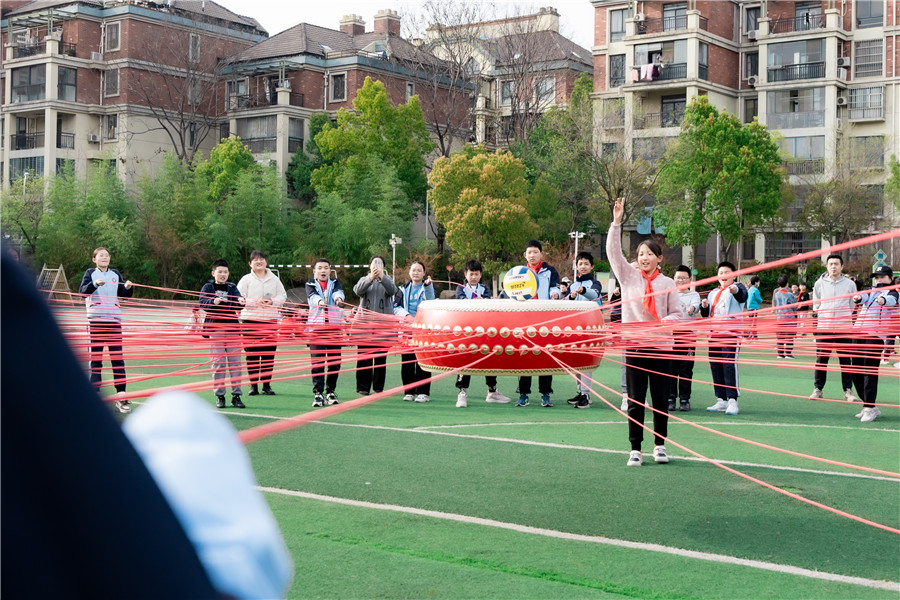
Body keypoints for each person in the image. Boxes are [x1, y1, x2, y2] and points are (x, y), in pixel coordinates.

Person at [607, 198, 681, 467]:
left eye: (650, 254)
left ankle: (659, 445)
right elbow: (614, 253)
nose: (644, 257)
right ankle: (635, 449)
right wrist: (617, 222)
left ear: (659, 258)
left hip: (661, 349)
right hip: (635, 348)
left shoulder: (668, 283)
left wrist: (662, 323)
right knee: (636, 401)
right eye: (640, 254)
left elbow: (678, 315)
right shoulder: (628, 279)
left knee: (661, 401)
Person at [79, 247, 134, 413]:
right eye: (101, 255)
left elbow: (124, 294)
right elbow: (82, 292)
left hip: (114, 321)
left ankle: (121, 397)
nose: (105, 257)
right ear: (94, 259)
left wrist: (128, 287)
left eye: (107, 255)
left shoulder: (115, 274)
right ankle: (94, 396)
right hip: (95, 321)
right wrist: (95, 284)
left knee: (117, 359)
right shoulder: (90, 273)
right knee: (96, 360)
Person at [455, 260, 511, 407]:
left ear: (480, 275)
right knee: (466, 360)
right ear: (465, 274)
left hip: (484, 331)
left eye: (476, 274)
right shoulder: (461, 288)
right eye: (471, 274)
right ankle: (462, 392)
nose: (473, 277)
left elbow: (486, 303)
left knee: (489, 359)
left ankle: (492, 391)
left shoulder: (484, 288)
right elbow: (462, 303)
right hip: (467, 331)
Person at [848, 266, 898, 422]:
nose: (879, 279)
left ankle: (869, 407)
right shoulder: (871, 290)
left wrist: (883, 300)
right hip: (858, 332)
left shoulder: (893, 292)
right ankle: (868, 405)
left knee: (869, 371)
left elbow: (891, 301)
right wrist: (857, 298)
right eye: (877, 277)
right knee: (855, 369)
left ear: (890, 278)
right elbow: (864, 296)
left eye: (882, 277)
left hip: (875, 335)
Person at [515, 240, 561, 408]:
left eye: (535, 252)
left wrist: (555, 294)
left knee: (545, 355)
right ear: (525, 255)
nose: (532, 255)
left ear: (541, 254)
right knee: (524, 355)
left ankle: (546, 394)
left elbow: (554, 288)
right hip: (524, 319)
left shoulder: (550, 271)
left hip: (545, 319)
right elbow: (511, 291)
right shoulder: (519, 272)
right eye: (529, 252)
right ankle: (523, 394)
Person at [701, 261, 749, 416]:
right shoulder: (713, 292)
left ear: (733, 275)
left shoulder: (738, 287)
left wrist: (735, 290)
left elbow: (742, 296)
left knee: (729, 365)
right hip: (714, 334)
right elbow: (707, 314)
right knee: (715, 365)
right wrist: (704, 307)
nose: (723, 276)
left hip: (730, 334)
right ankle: (721, 399)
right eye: (720, 273)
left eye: (727, 273)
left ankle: (732, 400)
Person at [237, 250, 287, 397]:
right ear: (250, 263)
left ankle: (266, 385)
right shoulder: (246, 279)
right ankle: (253, 386)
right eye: (255, 260)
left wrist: (272, 302)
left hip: (270, 321)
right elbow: (239, 298)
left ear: (266, 261)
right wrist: (255, 302)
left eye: (261, 259)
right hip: (250, 321)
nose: (259, 262)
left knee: (268, 355)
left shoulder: (274, 279)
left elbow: (283, 295)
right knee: (252, 355)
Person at [198, 259, 245, 409]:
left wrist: (241, 301)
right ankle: (220, 396)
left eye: (225, 272)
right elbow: (203, 302)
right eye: (220, 271)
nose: (223, 274)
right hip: (215, 330)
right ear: (214, 273)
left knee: (236, 364)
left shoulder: (232, 287)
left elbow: (239, 303)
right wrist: (213, 302)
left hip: (232, 330)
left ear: (228, 273)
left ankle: (236, 396)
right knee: (218, 363)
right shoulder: (208, 286)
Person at [810, 254, 858, 402]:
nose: (833, 267)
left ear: (842, 267)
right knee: (821, 359)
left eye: (836, 264)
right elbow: (816, 305)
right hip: (824, 326)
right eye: (830, 264)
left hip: (844, 327)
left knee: (845, 360)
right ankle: (818, 389)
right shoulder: (819, 283)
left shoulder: (850, 284)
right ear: (826, 266)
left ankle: (848, 391)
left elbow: (852, 305)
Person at [353, 255, 397, 396]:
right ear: (370, 266)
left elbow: (392, 290)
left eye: (379, 264)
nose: (376, 266)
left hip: (382, 327)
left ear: (384, 267)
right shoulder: (364, 279)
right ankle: (362, 387)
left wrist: (382, 277)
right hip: (365, 326)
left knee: (380, 358)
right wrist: (370, 278)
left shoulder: (387, 279)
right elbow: (358, 290)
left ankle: (378, 387)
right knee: (364, 357)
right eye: (374, 263)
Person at [305, 258, 346, 408]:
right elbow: (312, 297)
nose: (323, 271)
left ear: (330, 270)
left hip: (334, 329)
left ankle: (331, 391)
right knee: (317, 363)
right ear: (314, 271)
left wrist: (339, 299)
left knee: (335, 362)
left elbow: (338, 293)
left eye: (326, 268)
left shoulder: (336, 283)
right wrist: (320, 302)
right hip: (316, 330)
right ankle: (318, 393)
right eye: (320, 268)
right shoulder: (310, 284)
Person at [393, 261, 435, 403]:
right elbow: (396, 307)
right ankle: (409, 391)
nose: (416, 273)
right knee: (407, 361)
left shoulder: (427, 287)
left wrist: (429, 287)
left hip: (422, 329)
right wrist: (407, 317)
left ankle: (423, 392)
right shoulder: (403, 289)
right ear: (409, 273)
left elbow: (431, 302)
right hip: (407, 329)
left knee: (422, 360)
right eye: (413, 270)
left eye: (419, 270)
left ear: (424, 273)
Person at [565, 251, 603, 409]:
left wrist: (583, 291)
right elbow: (565, 302)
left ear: (592, 266)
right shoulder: (572, 286)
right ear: (576, 267)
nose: (583, 266)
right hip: (574, 327)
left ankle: (586, 394)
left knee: (586, 360)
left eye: (586, 264)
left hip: (590, 327)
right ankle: (580, 391)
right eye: (580, 264)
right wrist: (571, 297)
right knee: (576, 361)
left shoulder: (596, 283)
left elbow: (595, 295)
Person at [667, 265, 701, 412]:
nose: (680, 280)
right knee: (670, 367)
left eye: (683, 278)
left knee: (686, 368)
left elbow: (695, 307)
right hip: (671, 335)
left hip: (687, 335)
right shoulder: (669, 294)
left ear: (689, 279)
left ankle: (685, 399)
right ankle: (670, 398)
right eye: (678, 278)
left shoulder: (694, 295)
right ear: (673, 279)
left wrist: (691, 309)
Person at [772, 274, 797, 359]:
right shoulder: (790, 294)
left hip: (779, 318)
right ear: (787, 284)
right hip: (789, 318)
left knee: (780, 336)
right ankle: (788, 353)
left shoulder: (776, 294)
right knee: (789, 336)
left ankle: (780, 353)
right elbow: (794, 306)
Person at [746, 275, 763, 340]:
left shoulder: (750, 289)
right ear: (756, 282)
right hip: (754, 308)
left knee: (751, 322)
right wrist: (761, 300)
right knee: (753, 323)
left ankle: (752, 336)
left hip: (749, 308)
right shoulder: (755, 290)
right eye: (758, 282)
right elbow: (758, 299)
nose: (759, 283)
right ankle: (752, 336)